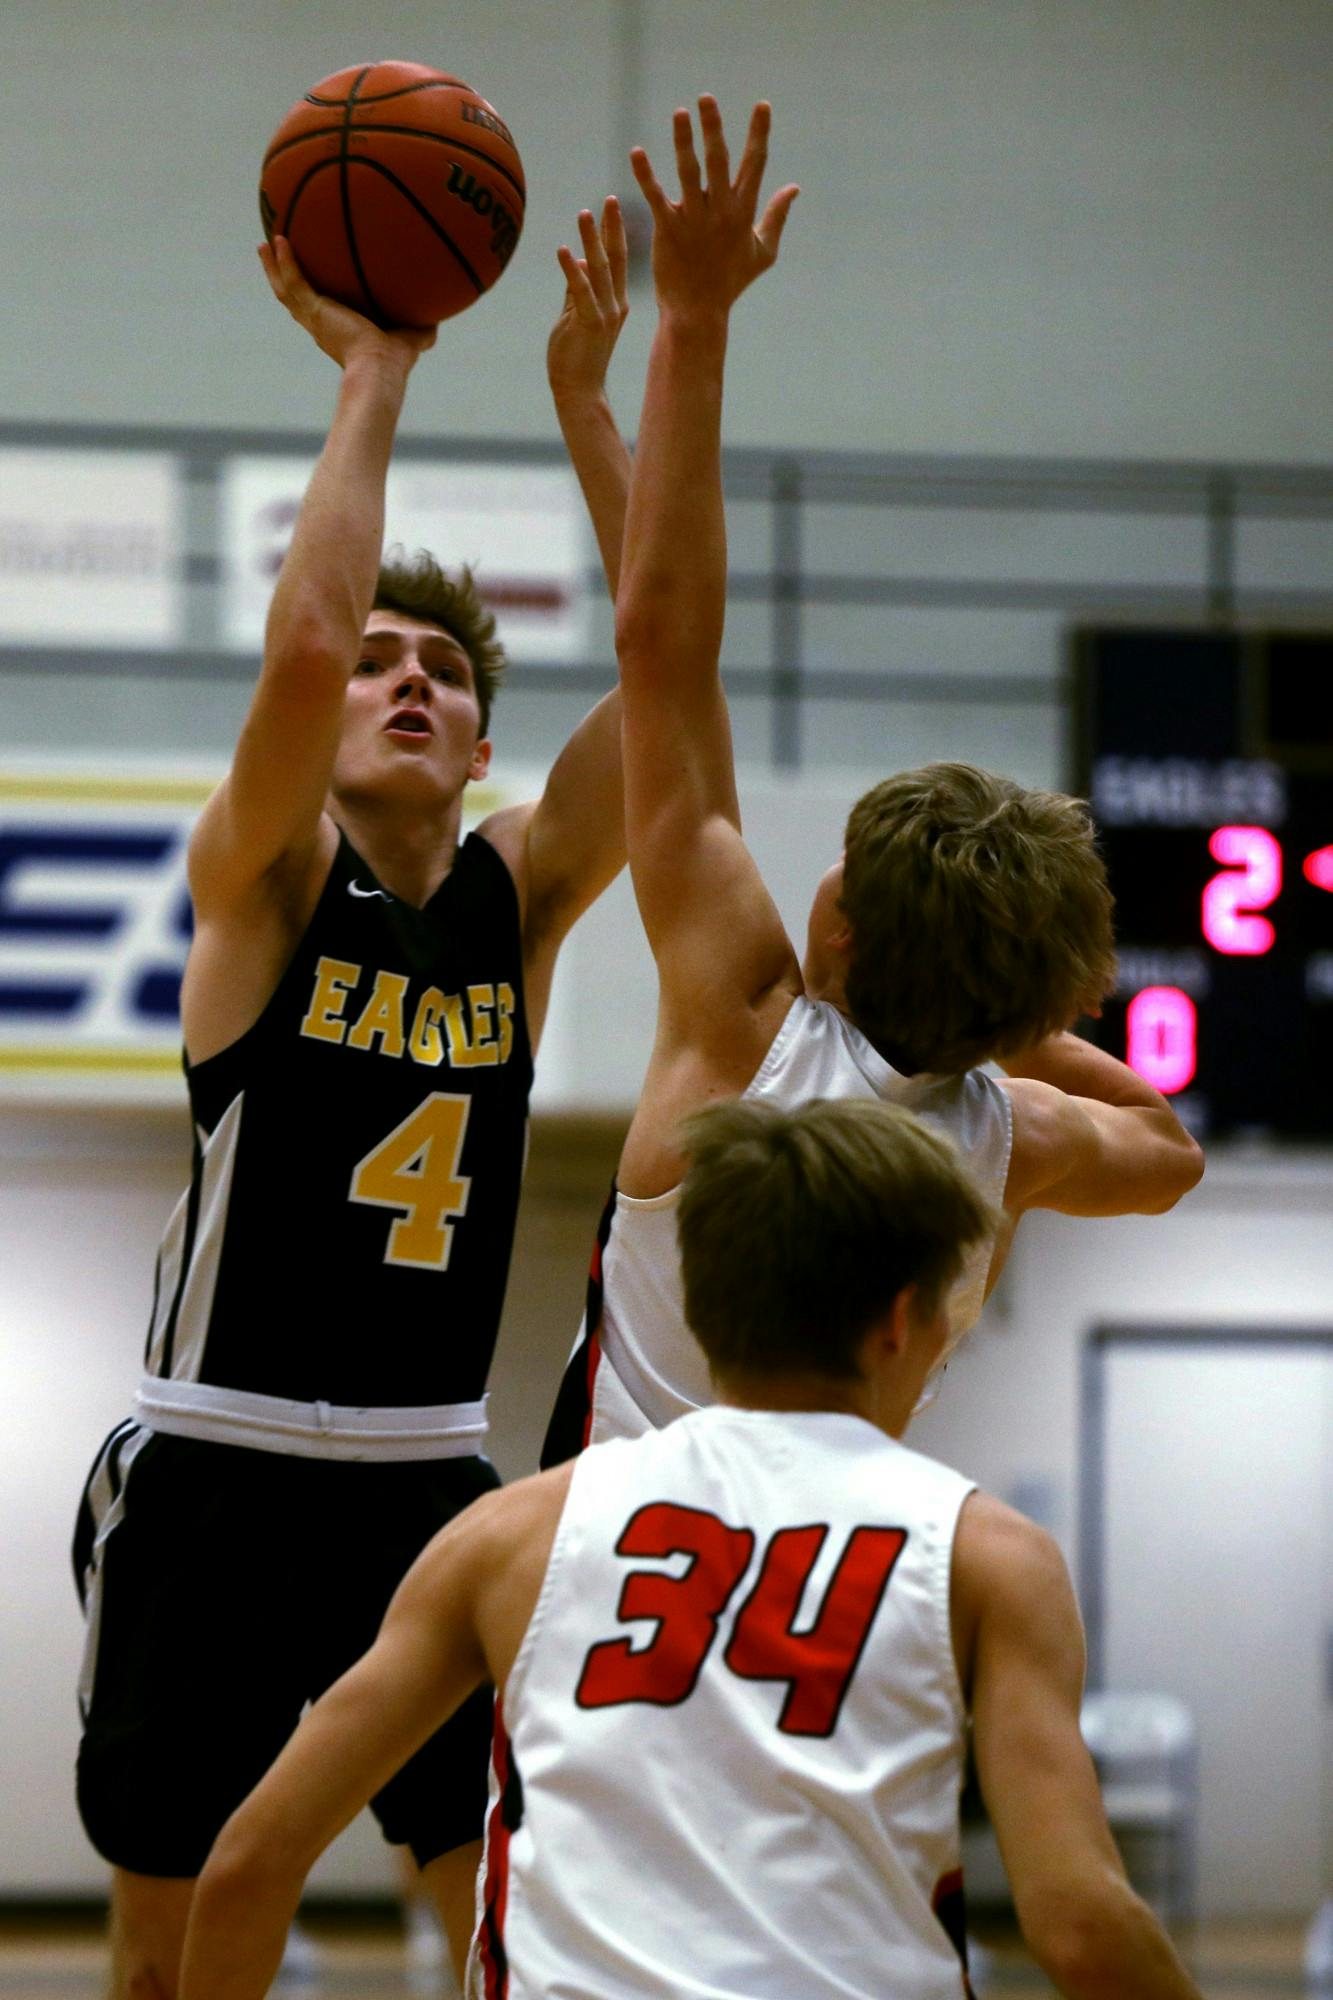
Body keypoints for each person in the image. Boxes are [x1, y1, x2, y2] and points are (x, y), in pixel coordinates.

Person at [72, 199, 633, 1999]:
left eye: (445, 673)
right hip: (216, 1464)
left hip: (428, 1482)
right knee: (166, 1952)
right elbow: (302, 651)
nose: (406, 681)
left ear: (480, 748)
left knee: (494, 1931)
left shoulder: (517, 898)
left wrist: (591, 411)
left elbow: (673, 677)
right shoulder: (266, 882)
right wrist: (373, 372)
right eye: (381, 661)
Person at [177, 1092, 1207, 2000]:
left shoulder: (510, 1532)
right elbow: (1081, 1926)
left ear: (706, 1304)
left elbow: (250, 1861)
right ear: (903, 1319)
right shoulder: (988, 1553)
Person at [542, 95, 1204, 1462]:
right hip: (841, 1579)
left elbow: (663, 646)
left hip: (616, 1556)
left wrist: (690, 325)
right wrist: (997, 1020)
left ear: (837, 931)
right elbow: (1168, 1148)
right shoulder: (1012, 1140)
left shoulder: (743, 1027)